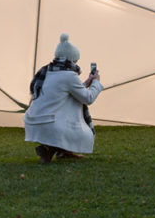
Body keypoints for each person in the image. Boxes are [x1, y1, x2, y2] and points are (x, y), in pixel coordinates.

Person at [25, 33, 103, 164]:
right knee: (81, 130)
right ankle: (49, 149)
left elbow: (64, 92)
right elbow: (88, 98)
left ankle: (63, 152)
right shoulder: (69, 75)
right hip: (49, 123)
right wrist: (96, 83)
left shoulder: (47, 70)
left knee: (71, 103)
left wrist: (87, 82)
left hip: (32, 120)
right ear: (72, 60)